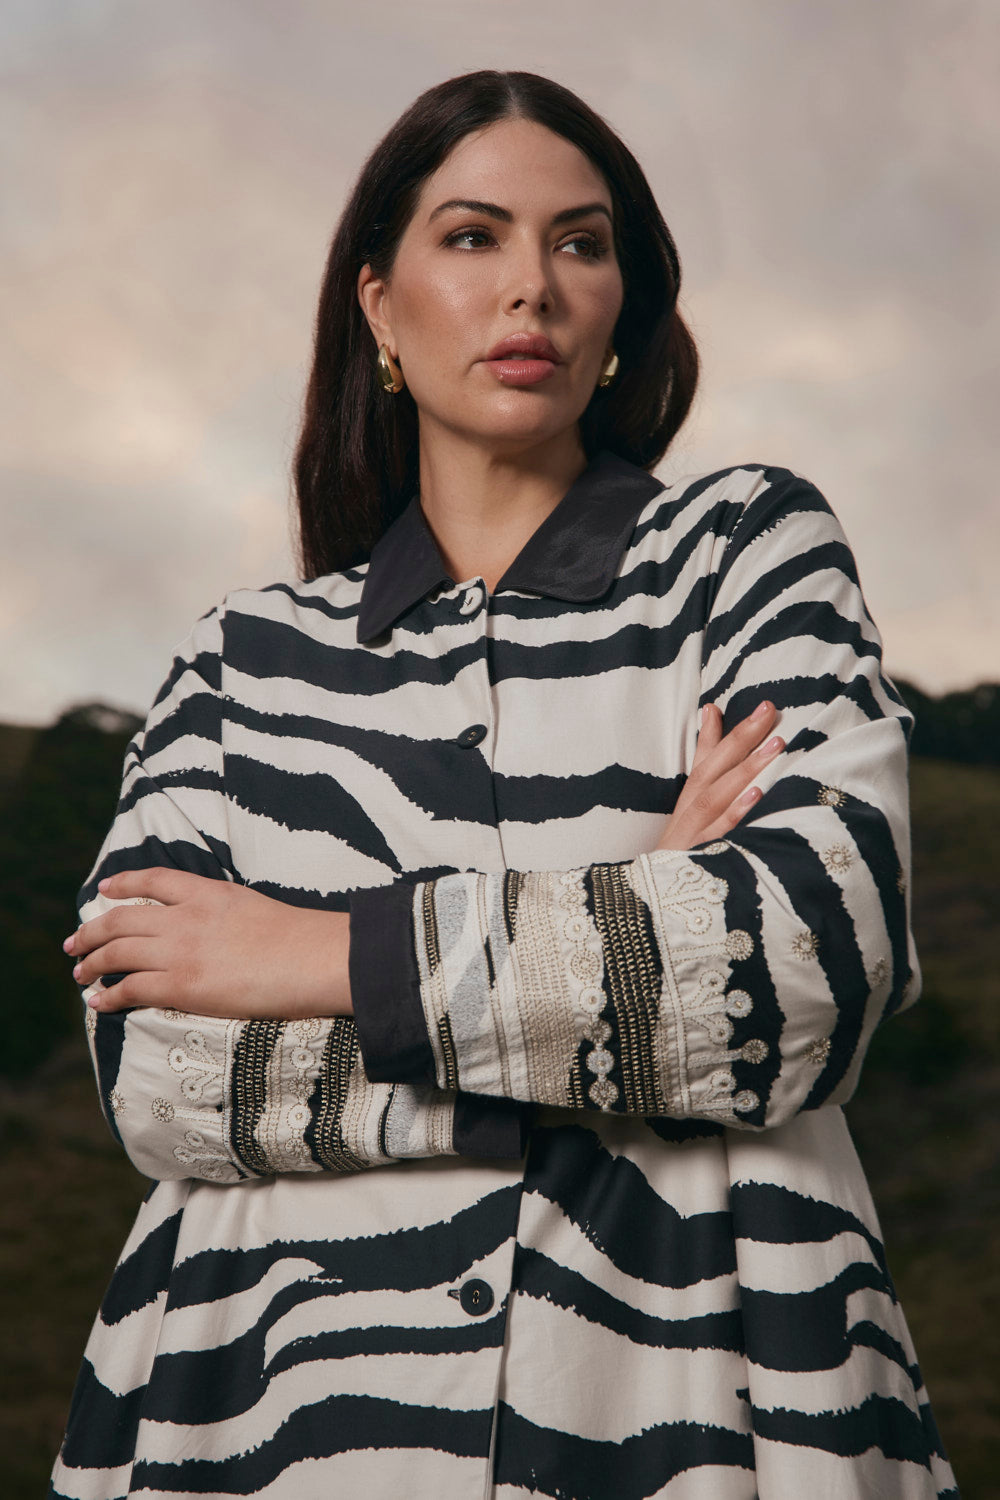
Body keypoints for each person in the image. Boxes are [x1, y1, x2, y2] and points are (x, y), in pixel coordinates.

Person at [50, 69, 959, 1500]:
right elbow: (153, 1072)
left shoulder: (747, 553)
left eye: (580, 243)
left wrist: (309, 955)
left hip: (709, 1405)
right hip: (261, 1426)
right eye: (472, 237)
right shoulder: (242, 660)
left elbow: (807, 965)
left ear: (621, 306)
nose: (530, 285)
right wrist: (631, 935)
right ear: (377, 303)